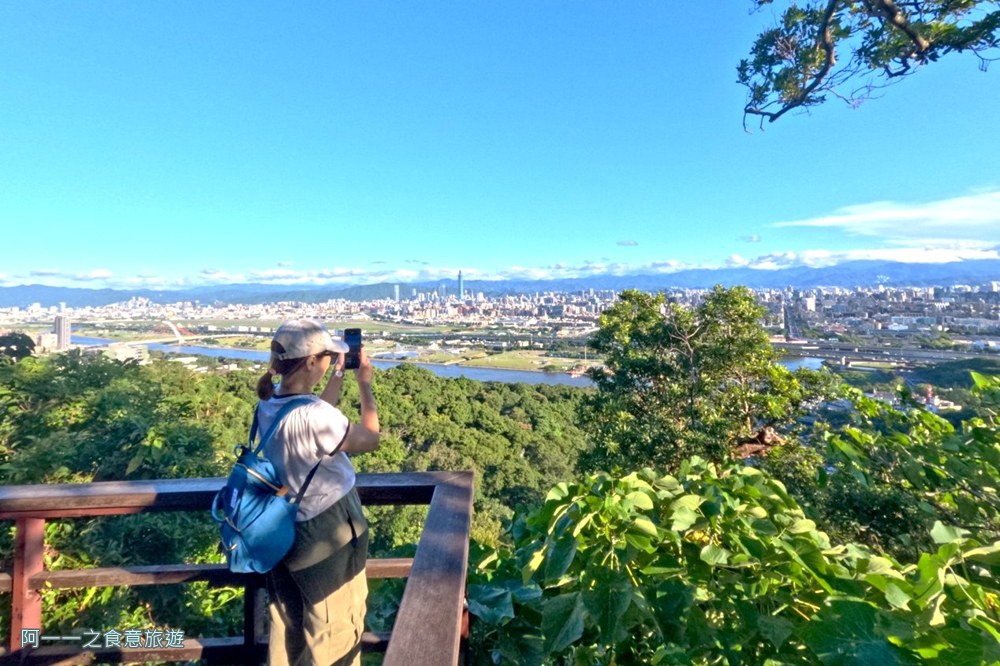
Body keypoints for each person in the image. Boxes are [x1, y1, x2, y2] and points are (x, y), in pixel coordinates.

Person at [254, 318, 380, 666]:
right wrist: (365, 385)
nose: (328, 361)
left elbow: (312, 412)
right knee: (334, 627)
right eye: (326, 356)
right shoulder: (315, 416)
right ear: (311, 361)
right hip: (325, 528)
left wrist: (338, 375)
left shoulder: (268, 403)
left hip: (282, 524)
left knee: (288, 621)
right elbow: (370, 439)